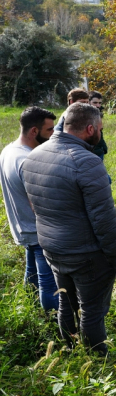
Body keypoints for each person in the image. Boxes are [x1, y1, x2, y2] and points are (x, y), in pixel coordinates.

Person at [22, 103, 116, 354]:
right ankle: (97, 361)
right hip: (85, 253)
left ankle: (69, 349)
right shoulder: (87, 162)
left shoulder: (32, 156)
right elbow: (104, 219)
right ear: (90, 129)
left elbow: (35, 206)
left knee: (66, 303)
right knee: (91, 309)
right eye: (100, 128)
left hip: (51, 247)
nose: (101, 132)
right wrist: (113, 255)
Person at [0, 107, 59, 312]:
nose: (54, 134)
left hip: (22, 227)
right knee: (49, 284)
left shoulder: (8, 150)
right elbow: (38, 205)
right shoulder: (29, 161)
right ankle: (55, 325)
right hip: (38, 232)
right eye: (50, 130)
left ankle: (30, 310)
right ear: (34, 131)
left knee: (32, 272)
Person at [88, 91, 108, 161]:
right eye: (95, 103)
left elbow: (99, 132)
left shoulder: (98, 114)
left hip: (99, 152)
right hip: (89, 153)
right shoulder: (83, 116)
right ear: (88, 102)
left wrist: (103, 147)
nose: (98, 105)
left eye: (99, 103)